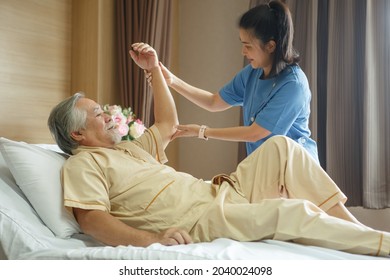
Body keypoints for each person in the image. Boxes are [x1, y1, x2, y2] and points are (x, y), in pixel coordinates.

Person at [48, 43, 390, 256]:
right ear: (77, 133)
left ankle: (361, 233)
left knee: (283, 147)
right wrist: (152, 239)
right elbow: (92, 221)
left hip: (218, 191)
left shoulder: (128, 149)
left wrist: (154, 71)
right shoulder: (83, 166)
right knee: (293, 212)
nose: (108, 114)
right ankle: (382, 245)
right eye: (97, 113)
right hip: (200, 219)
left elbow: (167, 124)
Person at [153, 1, 319, 161]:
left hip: (296, 170)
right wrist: (172, 81)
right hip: (266, 168)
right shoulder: (252, 73)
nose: (243, 52)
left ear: (270, 46)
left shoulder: (293, 86)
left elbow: (254, 133)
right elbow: (214, 102)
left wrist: (202, 132)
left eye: (248, 46)